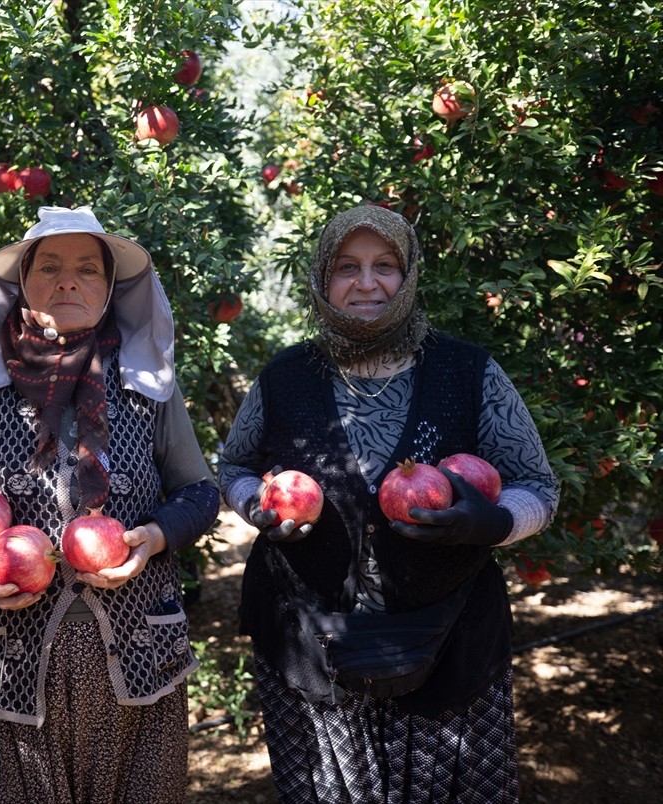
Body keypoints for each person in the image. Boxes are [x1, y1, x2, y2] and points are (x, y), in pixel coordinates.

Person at [219, 204, 559, 803]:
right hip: (312, 648)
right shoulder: (285, 377)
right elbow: (236, 467)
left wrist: (496, 522)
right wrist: (257, 509)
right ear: (324, 278)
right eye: (347, 267)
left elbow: (538, 485)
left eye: (386, 266)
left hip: (447, 638)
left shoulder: (467, 371)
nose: (367, 282)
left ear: (408, 276)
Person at [0, 206, 220, 804]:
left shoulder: (145, 380)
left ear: (110, 289)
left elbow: (200, 493)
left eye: (88, 269)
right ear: (20, 283)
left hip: (136, 663)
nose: (68, 281)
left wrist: (152, 539)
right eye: (50, 267)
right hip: (1, 665)